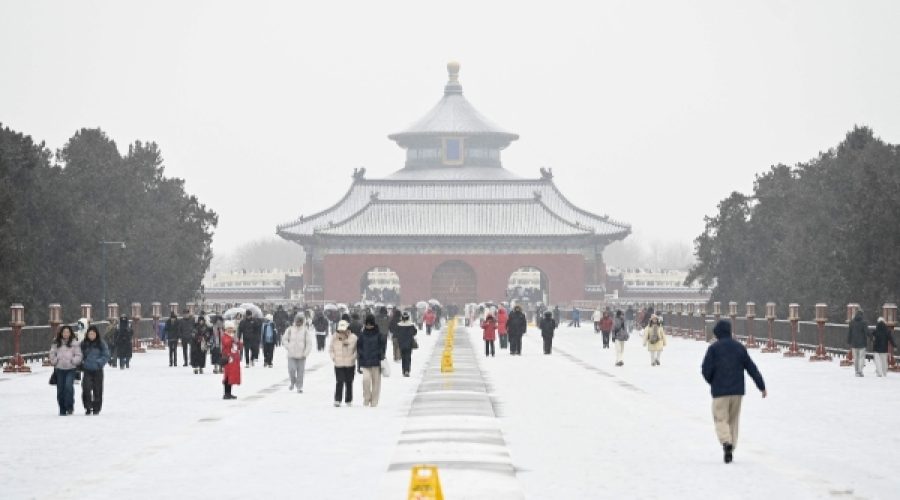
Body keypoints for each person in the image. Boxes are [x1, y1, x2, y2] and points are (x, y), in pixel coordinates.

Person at [702, 319, 767, 464]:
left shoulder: (713, 349)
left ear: (717, 333)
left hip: (720, 391)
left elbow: (705, 370)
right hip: (737, 391)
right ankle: (731, 446)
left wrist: (712, 381)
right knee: (733, 420)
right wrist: (761, 385)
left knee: (720, 418)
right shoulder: (739, 348)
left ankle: (726, 443)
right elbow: (751, 368)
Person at [50, 325, 82, 416]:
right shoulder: (56, 343)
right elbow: (52, 353)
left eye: (67, 332)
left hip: (70, 368)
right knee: (60, 389)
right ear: (61, 333)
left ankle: (69, 405)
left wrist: (73, 361)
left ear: (70, 333)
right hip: (59, 369)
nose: (66, 334)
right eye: (64, 332)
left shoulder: (75, 343)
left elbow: (79, 355)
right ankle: (62, 409)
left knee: (68, 387)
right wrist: (55, 361)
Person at [357, 314, 386, 407]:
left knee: (376, 383)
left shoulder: (379, 335)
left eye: (370, 324)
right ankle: (367, 397)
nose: (368, 326)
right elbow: (359, 348)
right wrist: (361, 356)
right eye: (367, 324)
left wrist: (379, 354)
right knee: (365, 381)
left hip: (376, 362)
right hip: (365, 362)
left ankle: (374, 401)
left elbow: (383, 348)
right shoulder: (362, 335)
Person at [80, 325, 109, 415]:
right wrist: (82, 362)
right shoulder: (84, 344)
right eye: (90, 334)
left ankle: (96, 407)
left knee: (98, 389)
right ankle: (88, 406)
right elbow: (79, 354)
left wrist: (99, 362)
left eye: (93, 334)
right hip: (87, 369)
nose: (91, 335)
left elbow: (106, 355)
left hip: (97, 370)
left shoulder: (101, 343)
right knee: (86, 388)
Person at [330, 320, 358, 406]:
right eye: (340, 329)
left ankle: (348, 400)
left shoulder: (353, 337)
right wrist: (333, 357)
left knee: (349, 382)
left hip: (350, 364)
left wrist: (353, 358)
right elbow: (331, 349)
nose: (342, 331)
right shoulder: (335, 337)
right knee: (339, 381)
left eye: (344, 329)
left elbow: (357, 350)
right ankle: (337, 400)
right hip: (338, 363)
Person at [283, 314, 313, 392]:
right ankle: (293, 382)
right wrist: (288, 346)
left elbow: (309, 343)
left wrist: (305, 353)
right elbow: (284, 339)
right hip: (291, 354)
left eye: (300, 321)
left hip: (301, 355)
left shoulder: (305, 331)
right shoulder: (290, 329)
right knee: (291, 370)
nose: (298, 323)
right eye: (297, 321)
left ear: (302, 322)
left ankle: (299, 386)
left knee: (300, 372)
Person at [221, 321, 242, 400]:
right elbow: (226, 343)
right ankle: (226, 393)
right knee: (227, 376)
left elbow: (239, 346)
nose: (230, 330)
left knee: (232, 377)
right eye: (229, 328)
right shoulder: (225, 336)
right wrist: (232, 339)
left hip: (234, 360)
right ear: (226, 329)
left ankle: (229, 393)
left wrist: (239, 343)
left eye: (232, 328)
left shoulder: (233, 336)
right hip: (228, 359)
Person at [847, 310, 869, 377]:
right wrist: (871, 337)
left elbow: (849, 332)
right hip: (862, 343)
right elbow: (867, 332)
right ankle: (860, 371)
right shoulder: (864, 323)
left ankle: (856, 371)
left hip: (854, 343)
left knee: (856, 358)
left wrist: (848, 341)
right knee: (861, 358)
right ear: (862, 315)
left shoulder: (851, 322)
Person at [395, 312, 418, 376]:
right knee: (408, 357)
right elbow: (415, 332)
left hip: (401, 344)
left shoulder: (399, 325)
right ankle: (407, 370)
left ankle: (404, 370)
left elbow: (396, 333)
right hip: (409, 344)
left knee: (403, 358)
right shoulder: (411, 325)